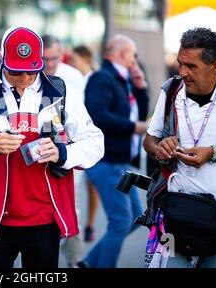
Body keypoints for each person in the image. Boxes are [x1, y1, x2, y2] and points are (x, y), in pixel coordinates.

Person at [0, 25, 104, 268]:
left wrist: (62, 152)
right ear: (2, 61)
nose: (26, 79)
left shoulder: (59, 92)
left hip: (45, 220)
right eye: (17, 72)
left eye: (32, 71)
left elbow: (95, 141)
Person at [143, 28, 216, 268]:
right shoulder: (170, 91)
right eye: (180, 64)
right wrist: (160, 149)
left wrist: (214, 153)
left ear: (215, 66)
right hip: (171, 211)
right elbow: (149, 140)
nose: (182, 72)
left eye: (191, 66)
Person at [79, 35, 149, 268]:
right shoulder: (103, 78)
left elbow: (137, 113)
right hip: (106, 161)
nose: (134, 59)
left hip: (120, 163)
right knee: (120, 221)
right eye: (132, 54)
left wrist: (141, 88)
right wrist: (134, 128)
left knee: (135, 218)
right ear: (122, 53)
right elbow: (98, 116)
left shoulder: (123, 79)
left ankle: (89, 263)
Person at [42, 35, 89, 266]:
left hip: (66, 150)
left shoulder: (72, 76)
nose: (49, 64)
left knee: (71, 207)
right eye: (44, 58)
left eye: (54, 58)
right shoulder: (29, 75)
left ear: (61, 55)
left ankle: (74, 259)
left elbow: (79, 119)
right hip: (37, 149)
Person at [71, 45, 100, 242]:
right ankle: (81, 224)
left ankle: (89, 225)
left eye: (74, 59)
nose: (71, 63)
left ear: (84, 58)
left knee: (92, 185)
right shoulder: (75, 78)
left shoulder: (93, 79)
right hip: (76, 136)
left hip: (91, 134)